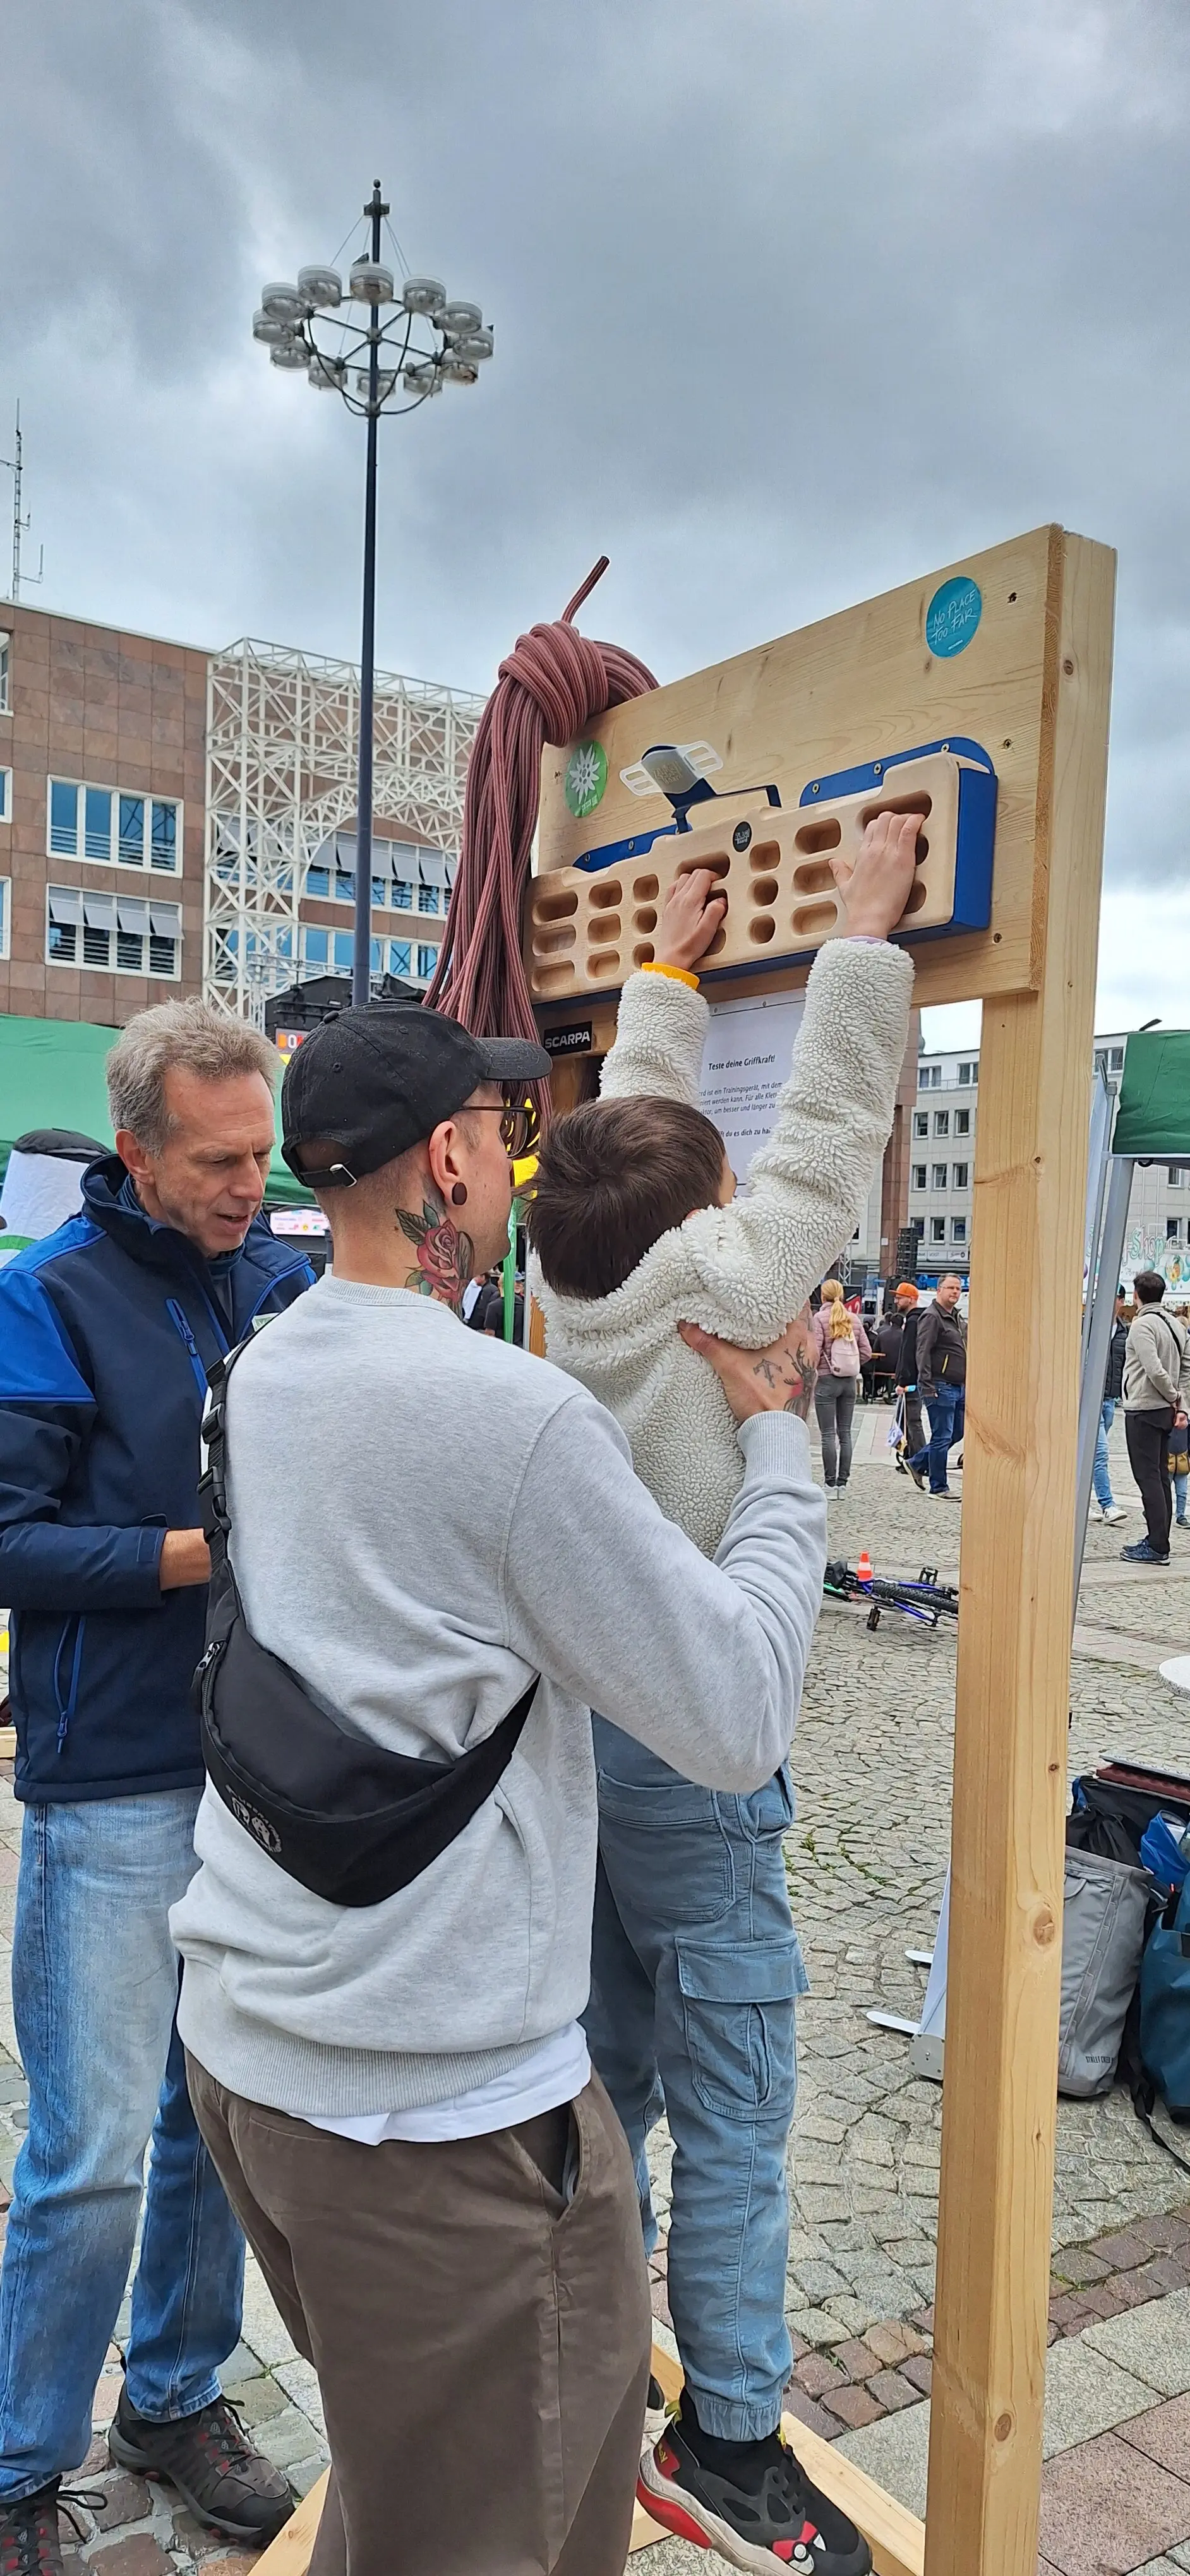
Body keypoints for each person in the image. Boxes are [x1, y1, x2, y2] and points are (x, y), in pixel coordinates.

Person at [169, 1001, 848, 2576]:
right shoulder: (508, 1411)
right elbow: (737, 1707)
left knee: (411, 2498)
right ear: (455, 1154)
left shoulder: (261, 1366)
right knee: (509, 2529)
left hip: (256, 2053)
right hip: (434, 2111)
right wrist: (780, 1451)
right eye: (505, 1130)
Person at [529, 814, 917, 2576]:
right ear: (708, 1218)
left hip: (585, 1748)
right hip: (696, 1737)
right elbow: (828, 1126)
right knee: (744, 2099)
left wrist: (667, 969)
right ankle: (733, 2441)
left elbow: (629, 1141)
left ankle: (579, 2361)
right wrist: (856, 926)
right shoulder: (723, 1287)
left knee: (608, 2068)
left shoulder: (568, 1275)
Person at [0, 1001, 313, 2570]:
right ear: (135, 1145)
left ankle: (175, 2399)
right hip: (112, 1775)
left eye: (262, 1152)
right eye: (218, 1158)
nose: (250, 1183)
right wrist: (195, 1553)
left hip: (252, 1773)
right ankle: (14, 2464)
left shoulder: (284, 1278)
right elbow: (5, 1535)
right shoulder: (44, 1294)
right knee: (96, 2143)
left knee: (217, 2119)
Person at [1121, 1270, 1190, 1565]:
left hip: (1144, 1409)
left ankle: (1157, 1546)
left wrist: (1173, 1396)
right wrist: (1182, 1405)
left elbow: (1154, 1369)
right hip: (1164, 1412)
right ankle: (1159, 1540)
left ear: (1137, 1296)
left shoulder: (1142, 1326)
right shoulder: (1176, 1325)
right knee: (1161, 1477)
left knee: (1148, 1477)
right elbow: (1186, 1369)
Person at [905, 1275, 966, 1498]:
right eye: (950, 1288)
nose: (955, 1292)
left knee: (957, 1432)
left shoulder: (956, 1318)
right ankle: (939, 1486)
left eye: (958, 1288)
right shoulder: (932, 1317)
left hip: (959, 1385)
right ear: (939, 1290)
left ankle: (917, 1462)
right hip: (940, 1385)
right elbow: (923, 1351)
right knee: (942, 1436)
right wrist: (927, 1384)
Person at [812, 1280, 870, 1494]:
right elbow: (866, 1352)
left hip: (827, 1381)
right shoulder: (853, 1319)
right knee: (845, 1433)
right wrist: (851, 1365)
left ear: (822, 1296)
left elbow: (815, 1351)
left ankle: (829, 1484)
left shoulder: (819, 1319)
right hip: (849, 1382)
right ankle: (843, 1484)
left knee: (827, 1434)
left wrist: (821, 1368)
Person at [1090, 1290, 1129, 1527]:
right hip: (1090, 1401)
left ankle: (1077, 1501)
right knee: (1101, 1452)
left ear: (1121, 1301)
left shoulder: (1124, 1331)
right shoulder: (1089, 1325)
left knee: (1087, 1455)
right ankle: (1108, 1505)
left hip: (1110, 1401)